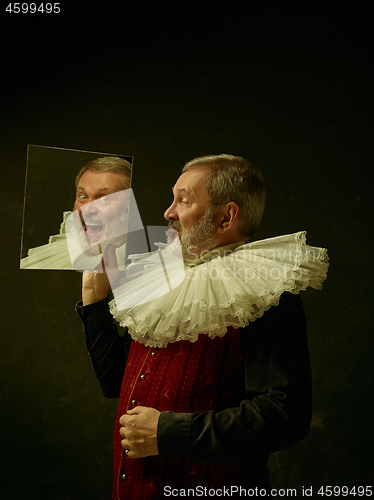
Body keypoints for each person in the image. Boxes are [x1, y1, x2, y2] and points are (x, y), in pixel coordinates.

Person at [76, 154, 328, 499]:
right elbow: (115, 381)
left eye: (183, 200)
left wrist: (170, 432)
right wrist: (95, 303)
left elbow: (285, 415)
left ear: (227, 217)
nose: (169, 212)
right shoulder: (159, 277)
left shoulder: (266, 292)